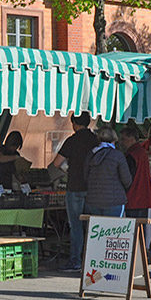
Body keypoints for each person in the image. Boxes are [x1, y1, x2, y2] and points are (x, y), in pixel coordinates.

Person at [50, 112, 99, 272]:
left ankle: (76, 260)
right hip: (93, 189)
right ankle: (94, 259)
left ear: (74, 124)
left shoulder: (72, 140)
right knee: (93, 225)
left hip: (75, 187)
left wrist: (68, 169)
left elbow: (57, 163)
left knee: (76, 226)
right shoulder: (96, 140)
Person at [120, 126, 151, 251]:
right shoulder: (142, 152)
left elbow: (127, 179)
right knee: (141, 231)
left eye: (124, 139)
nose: (122, 142)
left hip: (134, 197)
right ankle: (142, 255)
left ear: (131, 138)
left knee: (133, 231)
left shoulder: (132, 155)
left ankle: (136, 255)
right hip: (144, 197)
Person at [83, 127, 132, 218]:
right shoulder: (118, 155)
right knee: (114, 226)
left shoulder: (91, 154)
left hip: (93, 200)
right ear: (114, 139)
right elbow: (127, 180)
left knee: (97, 226)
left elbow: (85, 177)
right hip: (114, 201)